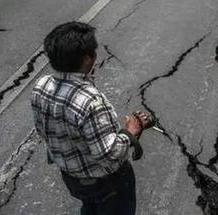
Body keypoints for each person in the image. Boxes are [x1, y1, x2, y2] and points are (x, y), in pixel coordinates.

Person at [32, 22, 152, 215]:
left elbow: (42, 129)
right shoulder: (91, 102)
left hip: (72, 177)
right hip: (106, 183)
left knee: (91, 206)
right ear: (89, 58)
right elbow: (108, 154)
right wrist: (131, 131)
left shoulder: (41, 85)